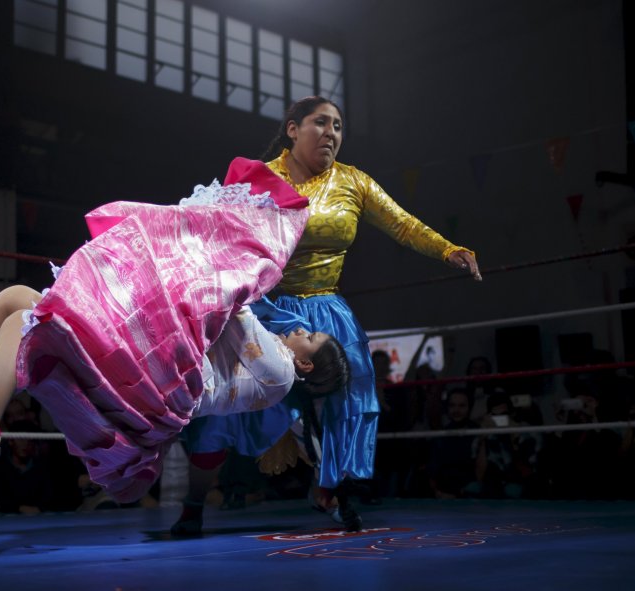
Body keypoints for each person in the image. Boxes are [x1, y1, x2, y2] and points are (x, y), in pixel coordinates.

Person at [0, 157, 349, 504]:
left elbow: (227, 308)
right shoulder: (274, 362)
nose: (302, 330)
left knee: (29, 320)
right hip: (159, 369)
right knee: (18, 299)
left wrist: (238, 263)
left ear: (307, 362)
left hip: (163, 386)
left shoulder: (281, 374)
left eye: (311, 338)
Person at [175, 96, 482, 534]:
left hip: (326, 309)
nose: (332, 133)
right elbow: (220, 237)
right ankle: (193, 503)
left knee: (352, 392)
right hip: (264, 305)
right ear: (293, 129)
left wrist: (448, 249)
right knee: (228, 403)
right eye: (321, 123)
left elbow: (402, 223)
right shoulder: (260, 179)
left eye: (338, 126)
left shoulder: (353, 182)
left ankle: (330, 490)